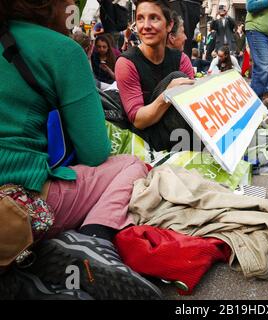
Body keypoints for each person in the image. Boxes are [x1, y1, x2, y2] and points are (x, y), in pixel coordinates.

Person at [0, 0, 162, 299]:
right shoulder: (62, 49)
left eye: (154, 18)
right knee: (129, 164)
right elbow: (95, 151)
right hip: (17, 199)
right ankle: (94, 241)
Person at [115, 0, 197, 152]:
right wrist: (167, 95)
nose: (146, 26)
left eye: (154, 18)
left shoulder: (181, 59)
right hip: (146, 140)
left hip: (181, 135)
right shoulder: (126, 63)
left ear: (169, 25)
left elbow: (192, 107)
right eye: (140, 18)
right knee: (177, 78)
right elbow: (138, 121)